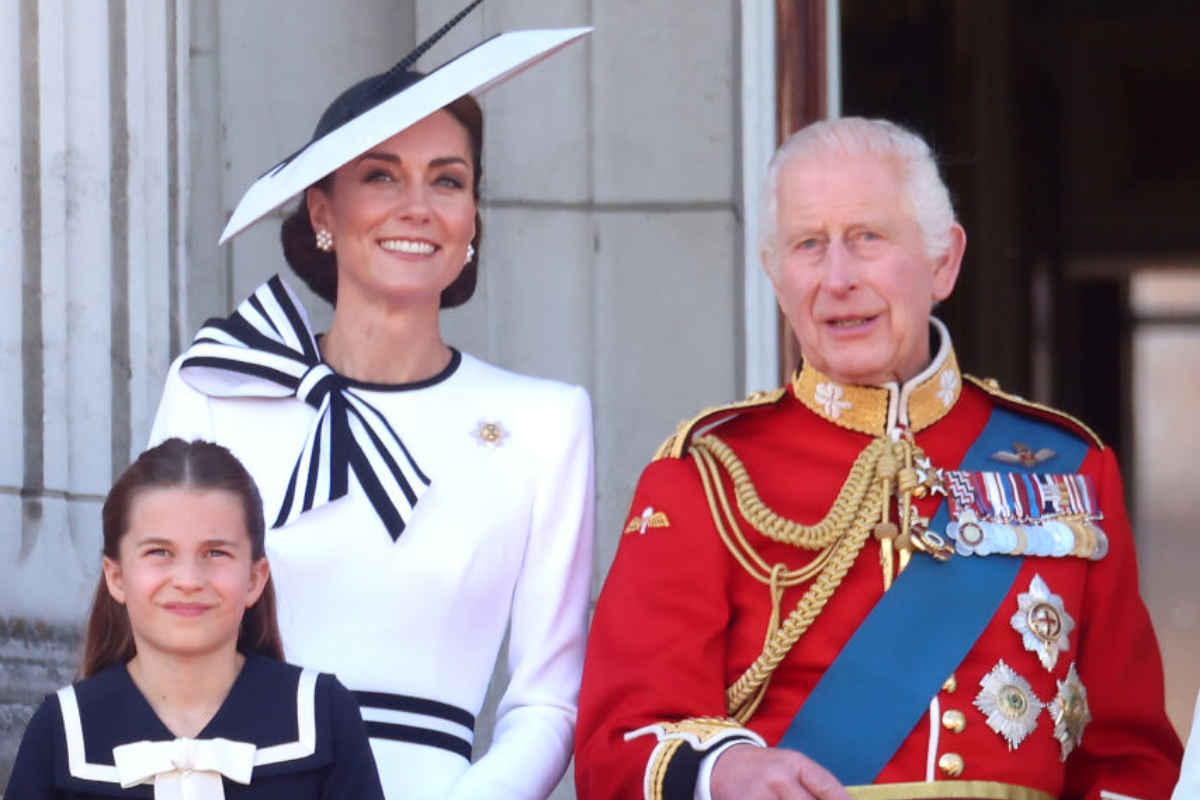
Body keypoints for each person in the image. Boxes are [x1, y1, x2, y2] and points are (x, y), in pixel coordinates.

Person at [574, 117, 1182, 800]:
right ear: (776, 275)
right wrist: (724, 771)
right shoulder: (706, 475)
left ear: (943, 261)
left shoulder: (1068, 470)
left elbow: (1131, 762)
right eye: (809, 244)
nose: (838, 277)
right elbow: (617, 748)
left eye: (868, 238)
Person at [148, 19, 595, 800]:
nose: (417, 206)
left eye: (448, 180)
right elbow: (150, 639)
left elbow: (546, 701)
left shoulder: (545, 423)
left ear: (473, 220)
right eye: (382, 176)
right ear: (321, 210)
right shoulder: (214, 388)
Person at [5, 438, 385, 799]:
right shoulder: (63, 730)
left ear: (254, 579)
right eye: (159, 552)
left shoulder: (322, 717)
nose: (188, 580)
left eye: (215, 553)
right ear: (116, 577)